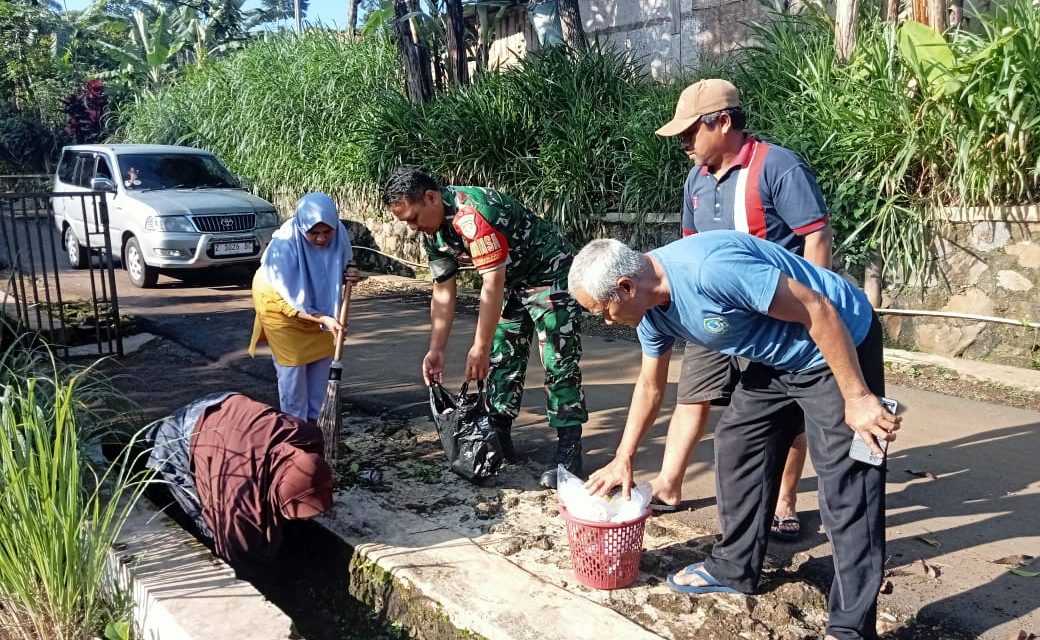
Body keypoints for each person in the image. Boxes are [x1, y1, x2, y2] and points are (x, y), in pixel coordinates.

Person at [569, 233, 900, 640]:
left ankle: (850, 629)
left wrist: (859, 395)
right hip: (774, 360)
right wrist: (624, 456)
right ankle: (735, 566)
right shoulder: (651, 311)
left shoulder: (710, 271)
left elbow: (818, 308)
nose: (605, 321)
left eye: (603, 311)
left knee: (849, 479)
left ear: (625, 288)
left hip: (837, 341)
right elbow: (650, 386)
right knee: (739, 444)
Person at [646, 78, 834, 539]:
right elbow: (691, 247)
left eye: (691, 132)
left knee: (789, 410)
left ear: (723, 122)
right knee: (694, 392)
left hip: (774, 310)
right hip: (713, 310)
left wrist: (813, 308)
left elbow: (816, 235)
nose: (685, 144)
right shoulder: (697, 179)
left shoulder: (778, 167)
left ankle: (784, 501)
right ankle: (669, 484)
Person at [380, 166, 587, 488]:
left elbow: (491, 283)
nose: (411, 227)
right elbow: (443, 291)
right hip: (511, 281)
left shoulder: (473, 216)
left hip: (548, 275)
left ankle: (569, 448)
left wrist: (478, 346)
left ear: (431, 197)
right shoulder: (433, 232)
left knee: (558, 359)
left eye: (412, 217)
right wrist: (436, 350)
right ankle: (500, 436)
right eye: (405, 221)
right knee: (503, 357)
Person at [143, 392, 334, 576]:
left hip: (228, 410)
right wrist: (259, 580)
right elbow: (235, 545)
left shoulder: (309, 439)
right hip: (180, 439)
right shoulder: (238, 493)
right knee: (208, 527)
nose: (306, 520)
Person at [249, 192, 357, 422]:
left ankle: (317, 425)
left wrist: (351, 275)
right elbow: (292, 301)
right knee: (293, 371)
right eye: (314, 233)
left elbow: (344, 269)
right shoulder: (283, 247)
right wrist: (324, 319)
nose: (321, 239)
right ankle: (294, 428)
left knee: (322, 363)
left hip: (320, 309)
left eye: (327, 232)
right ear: (301, 227)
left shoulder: (339, 234)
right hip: (280, 306)